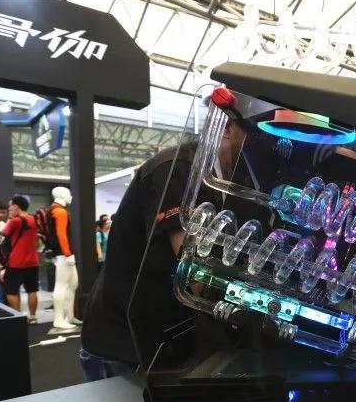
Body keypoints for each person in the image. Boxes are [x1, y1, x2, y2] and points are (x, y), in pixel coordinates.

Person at [79, 119, 246, 381]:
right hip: (125, 341)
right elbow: (194, 277)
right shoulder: (176, 169)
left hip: (169, 337)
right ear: (227, 127)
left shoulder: (230, 181)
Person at [1, 196, 39, 322]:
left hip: (16, 263)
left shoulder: (15, 221)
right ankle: (33, 317)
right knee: (32, 290)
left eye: (10, 206)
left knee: (10, 292)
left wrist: (10, 218)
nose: (9, 209)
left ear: (16, 206)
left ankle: (19, 318)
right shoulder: (33, 219)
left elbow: (3, 234)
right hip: (33, 261)